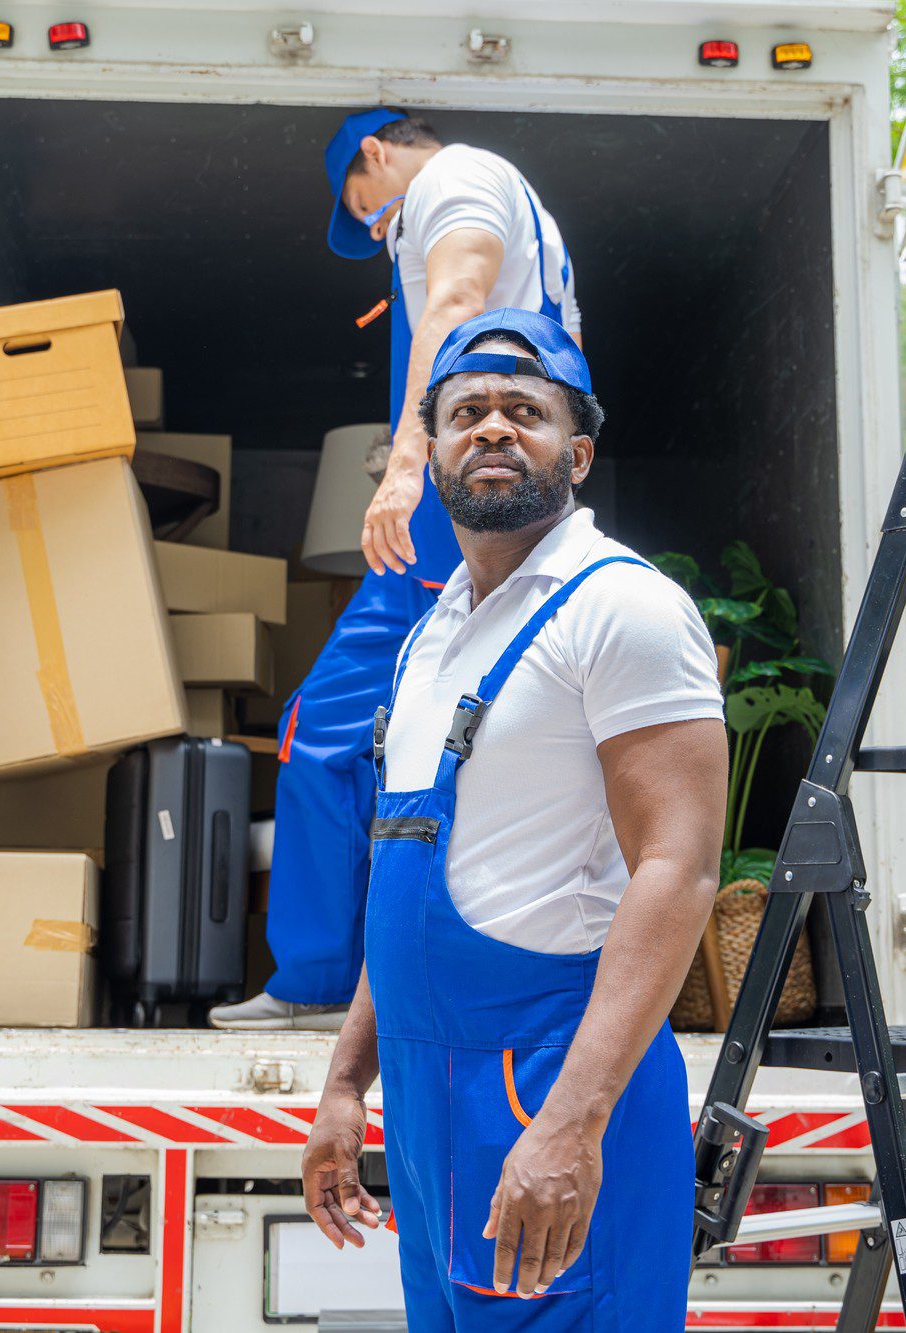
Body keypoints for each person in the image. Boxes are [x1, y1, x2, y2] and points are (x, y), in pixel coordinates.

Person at [297, 309, 728, 1329]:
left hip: (548, 1079)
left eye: (523, 411)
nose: (492, 428)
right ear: (431, 453)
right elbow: (404, 880)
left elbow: (679, 865)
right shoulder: (428, 639)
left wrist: (570, 1124)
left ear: (575, 452)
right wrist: (343, 1082)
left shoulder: (620, 607)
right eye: (465, 412)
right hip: (420, 1090)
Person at [212, 110, 584, 1030]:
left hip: (454, 496)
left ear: (377, 153)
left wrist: (409, 463)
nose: (374, 225)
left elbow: (456, 301)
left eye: (362, 204)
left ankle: (315, 978)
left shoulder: (451, 181)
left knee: (322, 731)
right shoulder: (503, 194)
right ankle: (404, 983)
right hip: (503, 489)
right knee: (425, 748)